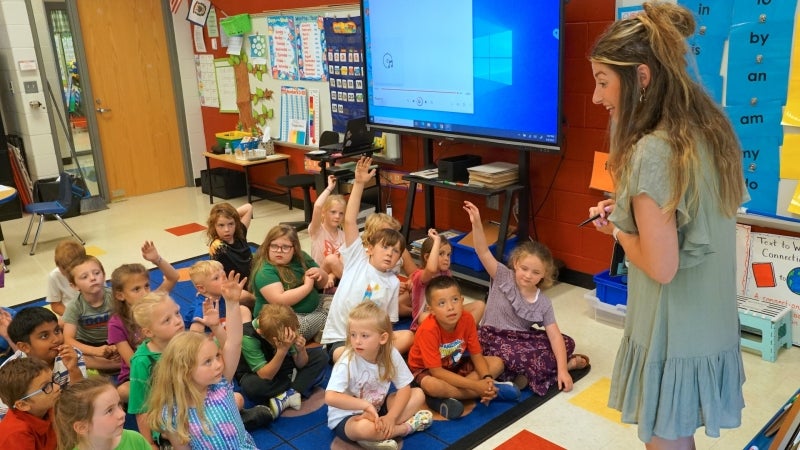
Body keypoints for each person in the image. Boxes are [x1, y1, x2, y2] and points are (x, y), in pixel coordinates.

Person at [587, 3, 746, 447]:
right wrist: (634, 212)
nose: (598, 98)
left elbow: (661, 267)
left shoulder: (651, 150)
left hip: (671, 326)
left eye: (603, 82)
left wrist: (618, 230)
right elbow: (687, 215)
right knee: (678, 435)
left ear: (641, 78)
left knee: (665, 439)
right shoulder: (706, 131)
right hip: (707, 318)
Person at [463, 201, 588, 394]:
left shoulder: (543, 302)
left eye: (535, 272)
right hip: (492, 338)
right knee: (512, 357)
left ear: (544, 275)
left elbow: (554, 335)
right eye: (524, 269)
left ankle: (545, 372)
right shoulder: (503, 275)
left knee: (566, 342)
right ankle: (537, 373)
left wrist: (563, 371)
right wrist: (477, 224)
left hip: (520, 339)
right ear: (515, 263)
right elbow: (482, 251)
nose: (528, 275)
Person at [147, 272, 268, 449]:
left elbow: (234, 342)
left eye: (217, 356)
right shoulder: (173, 412)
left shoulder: (221, 383)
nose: (219, 364)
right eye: (208, 362)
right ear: (185, 371)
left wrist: (232, 304)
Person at [320, 157, 414, 363]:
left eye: (395, 251)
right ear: (370, 248)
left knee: (407, 336)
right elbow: (350, 220)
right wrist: (360, 183)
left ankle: (370, 361)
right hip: (341, 339)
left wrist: (382, 343)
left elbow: (387, 323)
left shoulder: (392, 282)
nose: (390, 253)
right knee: (342, 357)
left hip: (371, 341)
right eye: (385, 247)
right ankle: (369, 362)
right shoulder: (357, 259)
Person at [407, 276, 519, 420]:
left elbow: (476, 355)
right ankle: (487, 392)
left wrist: (487, 379)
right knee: (432, 386)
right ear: (431, 310)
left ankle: (457, 395)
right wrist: (476, 386)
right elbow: (437, 372)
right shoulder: (428, 330)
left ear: (462, 300)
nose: (450, 307)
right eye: (442, 303)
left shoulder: (467, 319)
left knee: (497, 363)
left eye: (454, 300)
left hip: (454, 365)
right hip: (427, 370)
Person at [325, 301, 432, 450]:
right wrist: (365, 405)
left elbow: (404, 388)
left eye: (364, 335)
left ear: (382, 338)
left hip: (378, 408)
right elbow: (330, 397)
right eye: (353, 334)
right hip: (349, 416)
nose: (357, 341)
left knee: (418, 394)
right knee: (363, 428)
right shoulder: (347, 360)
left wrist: (391, 417)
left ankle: (377, 434)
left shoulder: (390, 354)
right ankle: (405, 428)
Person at [128, 291, 222, 448]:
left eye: (177, 313)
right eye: (167, 320)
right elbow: (141, 407)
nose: (178, 321)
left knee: (236, 398)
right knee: (179, 429)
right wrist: (149, 443)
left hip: (196, 403)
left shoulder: (186, 343)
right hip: (170, 417)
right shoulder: (142, 362)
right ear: (149, 332)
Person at [108, 241, 179, 403]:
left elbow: (173, 277)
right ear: (120, 295)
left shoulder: (155, 302)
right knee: (122, 391)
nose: (145, 292)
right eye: (136, 289)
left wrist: (157, 259)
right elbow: (133, 362)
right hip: (142, 374)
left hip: (170, 362)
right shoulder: (116, 323)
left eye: (147, 286)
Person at [0, 307, 87, 421]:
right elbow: (8, 417)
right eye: (44, 336)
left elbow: (83, 397)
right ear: (24, 347)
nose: (56, 339)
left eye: (57, 331)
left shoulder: (72, 355)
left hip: (68, 416)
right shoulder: (10, 373)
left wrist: (74, 370)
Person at [236, 304, 326, 408]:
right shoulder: (248, 337)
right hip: (260, 374)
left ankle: (290, 393)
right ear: (262, 334)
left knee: (321, 356)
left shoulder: (285, 330)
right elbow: (265, 375)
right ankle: (300, 384)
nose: (293, 335)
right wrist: (282, 351)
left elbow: (301, 364)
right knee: (252, 387)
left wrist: (301, 350)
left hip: (282, 366)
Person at [250, 224, 329, 340]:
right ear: (267, 247)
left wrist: (320, 274)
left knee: (342, 303)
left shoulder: (301, 257)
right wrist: (307, 286)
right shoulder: (264, 271)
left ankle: (322, 328)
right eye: (274, 246)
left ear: (294, 248)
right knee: (294, 329)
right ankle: (325, 325)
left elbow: (321, 285)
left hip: (315, 307)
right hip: (283, 318)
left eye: (285, 247)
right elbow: (280, 300)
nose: (279, 251)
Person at [409, 228, 485, 331]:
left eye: (448, 254)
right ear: (427, 257)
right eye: (441, 254)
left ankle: (463, 334)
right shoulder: (420, 276)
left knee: (479, 305)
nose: (446, 258)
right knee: (424, 317)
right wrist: (436, 241)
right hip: (428, 319)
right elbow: (431, 269)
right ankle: (456, 332)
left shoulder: (446, 273)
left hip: (447, 313)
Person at [54, 377, 151, 450]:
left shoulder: (135, 440)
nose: (122, 414)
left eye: (119, 404)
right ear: (82, 427)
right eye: (109, 410)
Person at [62, 255, 121, 371]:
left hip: (115, 340)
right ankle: (117, 364)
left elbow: (130, 323)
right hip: (89, 345)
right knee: (69, 356)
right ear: (74, 285)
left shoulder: (115, 297)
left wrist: (118, 344)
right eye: (84, 277)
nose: (93, 278)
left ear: (104, 276)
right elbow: (68, 340)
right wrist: (96, 351)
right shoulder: (75, 305)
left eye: (97, 273)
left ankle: (116, 362)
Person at [0, 358, 59, 449]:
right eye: (46, 387)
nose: (57, 387)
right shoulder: (17, 435)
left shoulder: (46, 408)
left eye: (54, 379)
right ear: (23, 405)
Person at [206, 202, 256, 309]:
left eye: (230, 224)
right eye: (221, 225)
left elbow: (248, 207)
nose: (227, 230)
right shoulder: (218, 247)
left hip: (251, 280)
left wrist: (228, 215)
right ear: (213, 226)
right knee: (246, 297)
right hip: (235, 288)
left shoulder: (240, 234)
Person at [308, 174, 346, 289]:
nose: (337, 216)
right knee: (331, 258)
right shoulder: (317, 230)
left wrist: (331, 276)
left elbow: (342, 262)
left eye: (341, 213)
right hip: (318, 276)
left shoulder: (343, 235)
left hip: (337, 276)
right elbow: (318, 206)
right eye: (333, 212)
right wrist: (329, 188)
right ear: (324, 213)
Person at [189, 259, 253, 324]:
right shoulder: (201, 309)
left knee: (243, 310)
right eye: (216, 278)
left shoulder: (219, 293)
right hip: (212, 332)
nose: (224, 278)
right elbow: (194, 332)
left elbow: (245, 296)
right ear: (202, 288)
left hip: (223, 324)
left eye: (223, 274)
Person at [45, 239, 85, 316]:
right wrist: (73, 316)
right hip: (70, 313)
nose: (69, 274)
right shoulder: (54, 276)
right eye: (64, 269)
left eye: (73, 269)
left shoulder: (92, 271)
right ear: (57, 264)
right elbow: (56, 305)